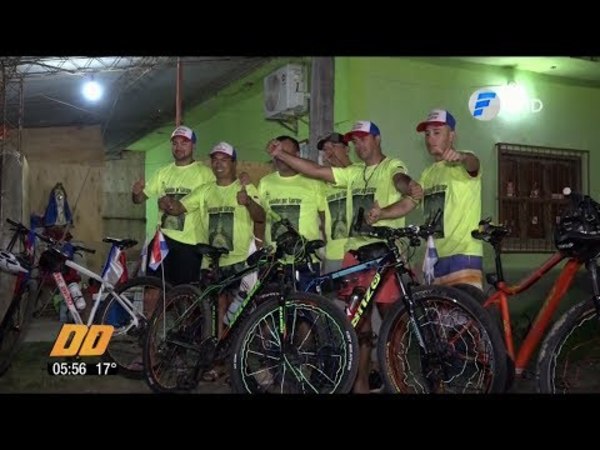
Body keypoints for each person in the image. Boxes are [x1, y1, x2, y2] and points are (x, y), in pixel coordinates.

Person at [267, 120, 423, 393]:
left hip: (384, 254)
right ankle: (360, 383)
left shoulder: (391, 166)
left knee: (392, 323)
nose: (359, 145)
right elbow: (315, 169)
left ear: (377, 139)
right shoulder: (353, 173)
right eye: (355, 141)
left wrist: (408, 186)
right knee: (358, 326)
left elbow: (400, 181)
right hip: (355, 255)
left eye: (363, 139)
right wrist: (281, 154)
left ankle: (396, 379)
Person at [162, 141, 266, 342]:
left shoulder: (245, 187)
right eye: (215, 159)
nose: (219, 164)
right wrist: (165, 203)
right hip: (212, 262)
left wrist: (248, 202)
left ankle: (233, 354)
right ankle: (215, 356)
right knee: (215, 312)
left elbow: (260, 216)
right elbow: (177, 208)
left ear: (234, 163)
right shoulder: (204, 190)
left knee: (241, 313)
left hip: (240, 261)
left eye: (224, 159)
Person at [131, 125, 215, 290]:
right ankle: (151, 317)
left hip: (190, 245)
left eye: (184, 143)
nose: (179, 147)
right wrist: (135, 192)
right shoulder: (163, 172)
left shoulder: (205, 174)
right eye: (175, 143)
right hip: (162, 242)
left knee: (185, 293)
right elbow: (139, 199)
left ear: (193, 146)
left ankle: (179, 316)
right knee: (151, 287)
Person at [416, 109, 483, 289]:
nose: (430, 139)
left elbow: (473, 163)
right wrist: (382, 211)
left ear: (451, 136)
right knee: (436, 316)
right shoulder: (427, 173)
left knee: (465, 315)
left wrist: (461, 157)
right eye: (427, 134)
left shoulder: (463, 161)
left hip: (463, 255)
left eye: (437, 133)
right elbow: (409, 201)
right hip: (434, 256)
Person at [260, 135, 327, 290]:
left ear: (297, 156)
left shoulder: (314, 181)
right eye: (276, 153)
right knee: (272, 310)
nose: (279, 157)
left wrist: (326, 251)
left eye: (284, 153)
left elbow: (324, 219)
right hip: (274, 262)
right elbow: (261, 217)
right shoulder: (265, 182)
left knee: (308, 309)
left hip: (306, 261)